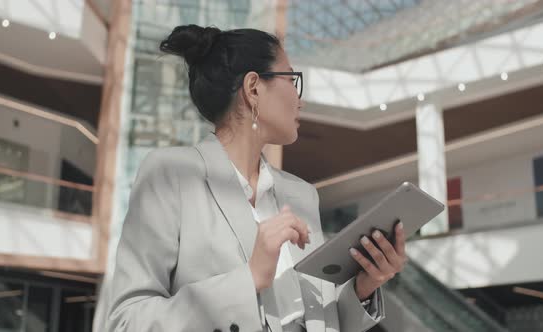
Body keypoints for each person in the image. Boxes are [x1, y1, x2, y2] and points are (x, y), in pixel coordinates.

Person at [105, 24, 407, 332]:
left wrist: (363, 287)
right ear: (253, 88)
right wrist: (248, 280)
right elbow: (127, 322)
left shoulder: (302, 195)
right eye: (292, 79)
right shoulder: (170, 175)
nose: (300, 99)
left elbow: (320, 321)